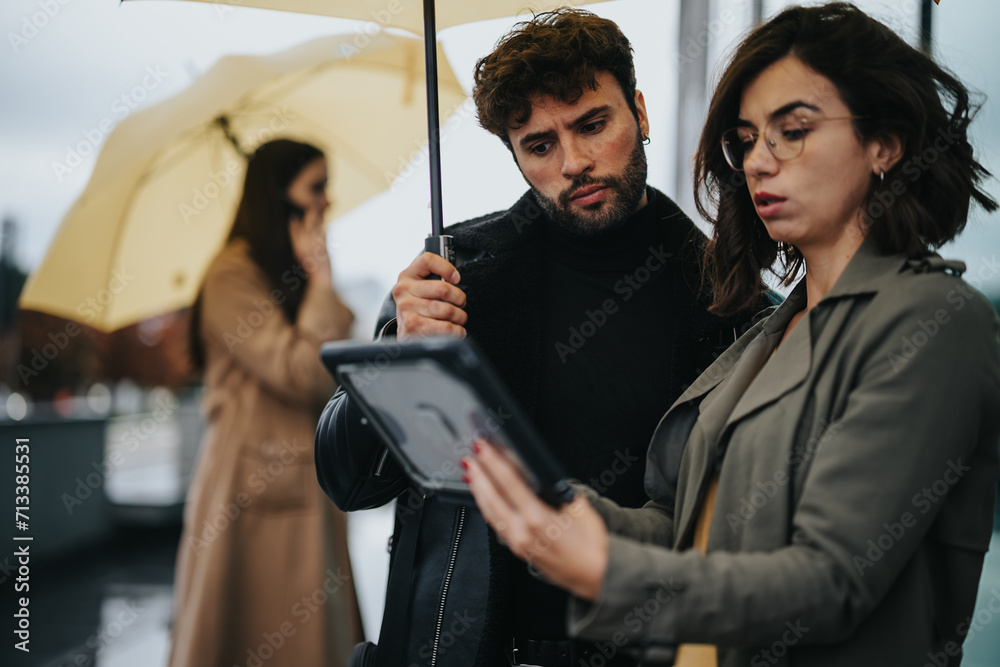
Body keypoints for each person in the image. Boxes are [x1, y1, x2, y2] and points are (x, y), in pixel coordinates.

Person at [463, 3, 1000, 666]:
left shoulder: (933, 320)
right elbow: (690, 526)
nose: (759, 163)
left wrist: (607, 569)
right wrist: (560, 512)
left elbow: (830, 583)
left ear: (884, 144)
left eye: (793, 130)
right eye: (746, 139)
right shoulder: (769, 329)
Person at [315, 9, 773, 667]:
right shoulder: (455, 276)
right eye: (540, 144)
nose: (575, 162)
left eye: (593, 124)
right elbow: (350, 482)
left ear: (640, 112)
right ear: (516, 155)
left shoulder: (731, 302)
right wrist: (400, 354)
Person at [170, 139, 363, 667]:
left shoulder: (283, 273)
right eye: (316, 187)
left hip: (299, 485)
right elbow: (303, 373)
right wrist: (322, 279)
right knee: (252, 633)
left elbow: (333, 366)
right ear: (281, 196)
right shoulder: (231, 276)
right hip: (249, 491)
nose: (327, 199)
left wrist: (314, 279)